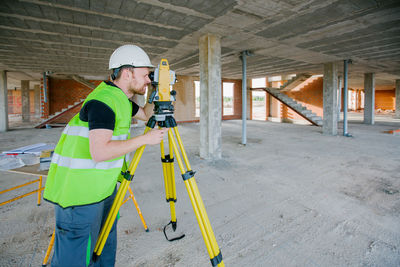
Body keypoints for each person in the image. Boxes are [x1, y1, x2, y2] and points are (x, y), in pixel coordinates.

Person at [43, 44, 167, 267]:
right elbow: (99, 152)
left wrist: (157, 92)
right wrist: (144, 140)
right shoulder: (104, 102)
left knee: (103, 251)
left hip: (103, 188)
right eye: (145, 74)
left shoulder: (121, 100)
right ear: (127, 72)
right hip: (78, 193)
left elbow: (147, 114)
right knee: (75, 259)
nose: (148, 79)